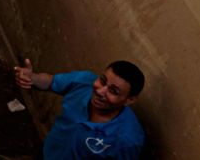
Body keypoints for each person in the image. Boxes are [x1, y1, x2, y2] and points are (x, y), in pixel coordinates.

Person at [14, 59, 146, 159]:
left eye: (113, 91)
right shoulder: (84, 82)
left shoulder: (127, 140)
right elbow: (51, 82)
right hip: (49, 152)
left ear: (130, 100)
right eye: (102, 80)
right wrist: (32, 78)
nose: (100, 91)